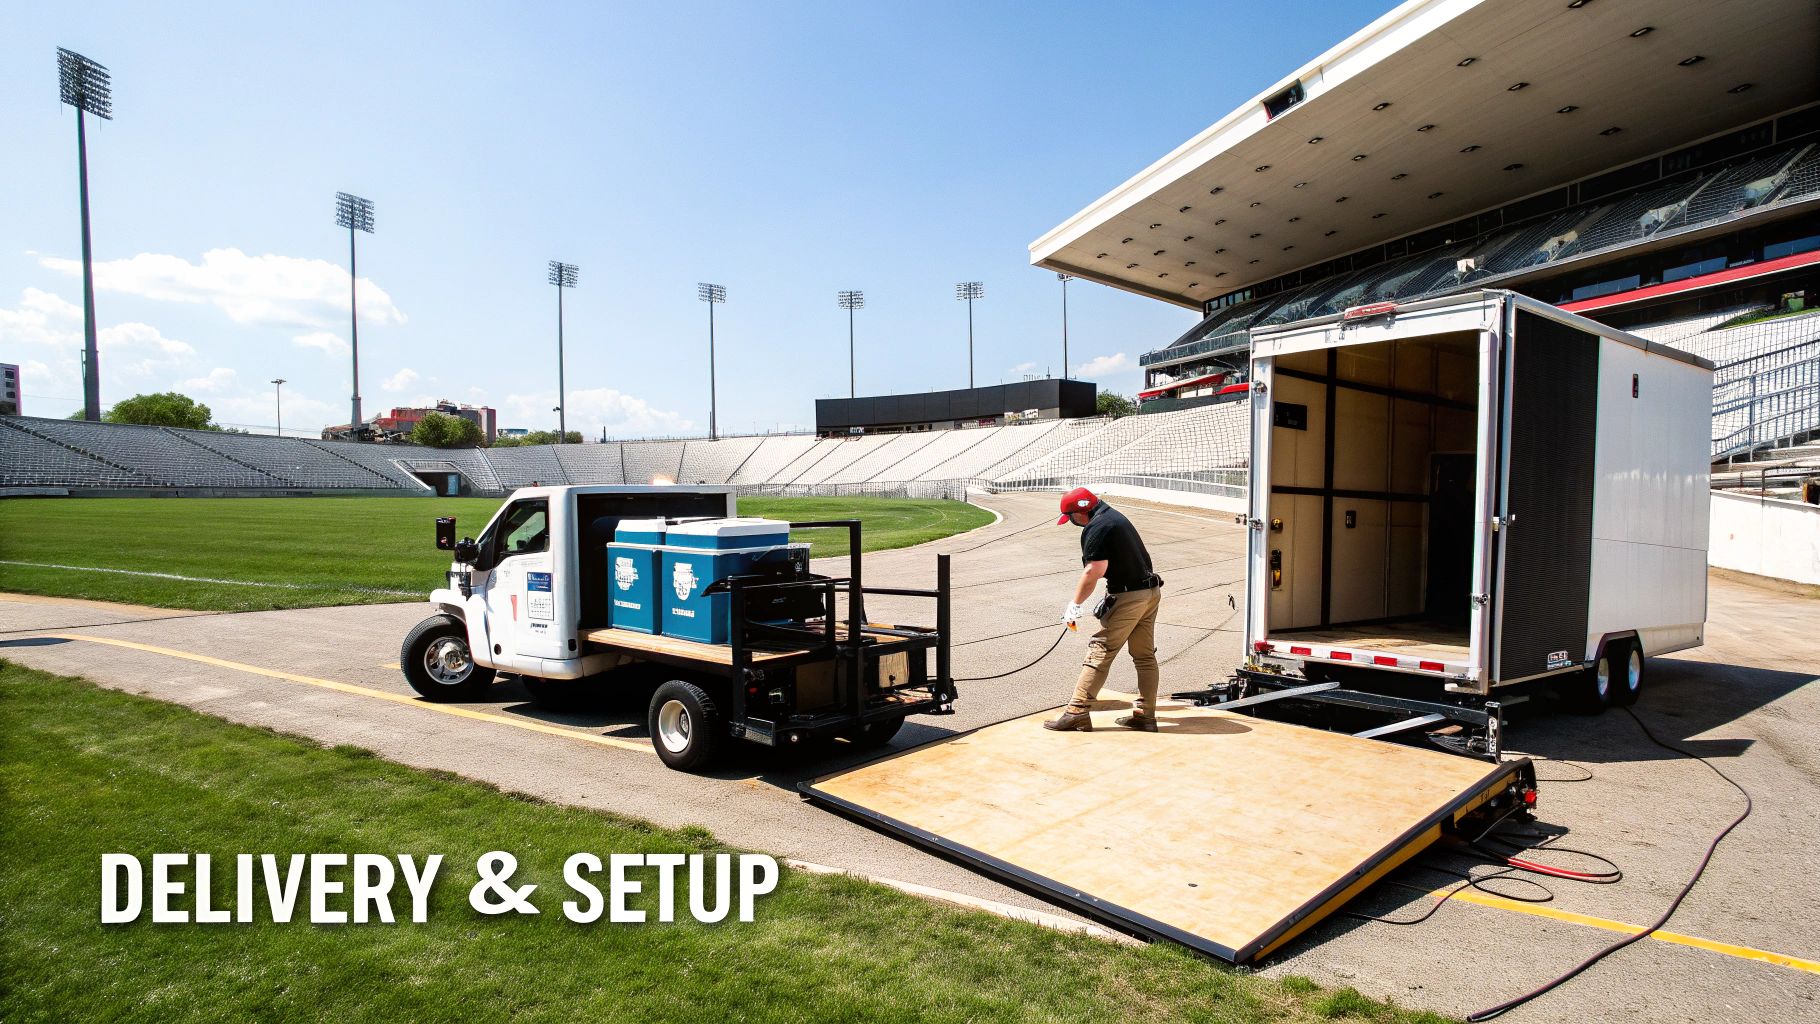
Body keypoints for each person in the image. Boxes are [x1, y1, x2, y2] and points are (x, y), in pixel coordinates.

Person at [1045, 487, 1164, 733]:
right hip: (1149, 593)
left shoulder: (1097, 527)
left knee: (1100, 650)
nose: (1073, 524)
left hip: (1129, 596)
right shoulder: (1114, 516)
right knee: (1143, 655)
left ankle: (1076, 711)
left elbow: (1094, 570)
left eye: (1071, 518)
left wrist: (1074, 604)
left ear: (1081, 512)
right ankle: (1145, 715)